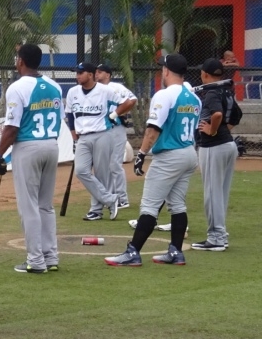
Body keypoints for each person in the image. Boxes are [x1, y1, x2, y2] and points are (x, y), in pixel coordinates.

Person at [105, 53, 200, 267]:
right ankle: (175, 252)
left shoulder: (164, 95)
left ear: (166, 71)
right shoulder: (194, 97)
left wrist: (141, 154)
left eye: (162, 68)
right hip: (188, 152)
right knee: (177, 204)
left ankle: (133, 252)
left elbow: (153, 129)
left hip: (169, 156)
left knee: (149, 205)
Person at [0, 44, 64, 274]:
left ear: (21, 61)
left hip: (28, 147)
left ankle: (35, 260)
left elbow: (11, 128)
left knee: (29, 207)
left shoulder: (17, 88)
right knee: (45, 205)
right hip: (52, 145)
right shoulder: (54, 86)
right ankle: (51, 256)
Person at [192, 58, 241, 251]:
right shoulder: (226, 90)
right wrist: (223, 130)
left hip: (214, 146)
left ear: (204, 74)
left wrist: (213, 130)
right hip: (228, 145)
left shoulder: (211, 92)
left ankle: (216, 237)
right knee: (220, 193)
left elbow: (218, 114)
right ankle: (221, 234)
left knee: (212, 194)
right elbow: (236, 115)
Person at [65, 62, 123, 221]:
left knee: (101, 173)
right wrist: (73, 136)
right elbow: (70, 115)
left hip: (102, 134)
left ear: (90, 75)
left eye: (80, 73)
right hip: (82, 136)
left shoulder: (105, 90)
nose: (77, 76)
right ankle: (110, 199)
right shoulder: (72, 92)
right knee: (81, 170)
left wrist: (113, 116)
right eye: (76, 73)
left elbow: (126, 103)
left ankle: (96, 210)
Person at [95, 64, 137, 210]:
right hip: (101, 131)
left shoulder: (116, 87)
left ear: (108, 75)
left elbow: (132, 100)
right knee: (104, 165)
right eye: (95, 72)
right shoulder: (94, 89)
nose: (96, 74)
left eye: (100, 72)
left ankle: (122, 198)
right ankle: (110, 196)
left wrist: (115, 114)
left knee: (115, 164)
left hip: (116, 128)